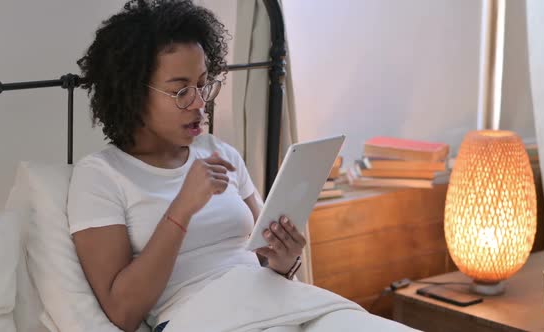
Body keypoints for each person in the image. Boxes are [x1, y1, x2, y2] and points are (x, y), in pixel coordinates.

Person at [69, 1, 413, 331]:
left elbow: (264, 258)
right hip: (201, 318)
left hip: (276, 301)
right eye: (181, 92)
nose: (200, 103)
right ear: (132, 93)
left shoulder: (220, 152)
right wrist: (182, 208)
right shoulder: (100, 176)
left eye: (204, 84)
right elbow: (122, 313)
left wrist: (284, 260)